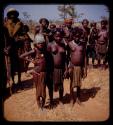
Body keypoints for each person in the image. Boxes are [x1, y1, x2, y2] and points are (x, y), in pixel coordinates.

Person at [20, 34, 54, 109]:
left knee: (43, 88)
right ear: (35, 43)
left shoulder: (46, 51)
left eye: (42, 43)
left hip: (45, 73)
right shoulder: (34, 50)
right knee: (38, 89)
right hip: (37, 73)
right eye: (39, 43)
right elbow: (21, 56)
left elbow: (50, 61)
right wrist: (32, 60)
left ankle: (43, 104)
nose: (40, 44)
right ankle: (39, 105)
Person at [4, 8, 23, 88]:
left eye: (14, 13)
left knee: (19, 64)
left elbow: (24, 34)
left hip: (17, 46)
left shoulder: (20, 23)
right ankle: (12, 81)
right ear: (8, 15)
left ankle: (19, 80)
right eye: (11, 14)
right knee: (10, 65)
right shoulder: (5, 24)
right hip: (9, 46)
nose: (12, 15)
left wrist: (19, 38)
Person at [67, 27, 86, 106]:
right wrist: (68, 67)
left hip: (80, 67)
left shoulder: (83, 44)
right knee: (72, 83)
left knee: (78, 84)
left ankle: (78, 98)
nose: (77, 37)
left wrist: (85, 69)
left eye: (78, 36)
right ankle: (72, 99)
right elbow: (67, 56)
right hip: (72, 67)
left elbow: (85, 57)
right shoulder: (70, 44)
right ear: (73, 36)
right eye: (75, 36)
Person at [47, 28, 67, 104]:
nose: (58, 38)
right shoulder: (50, 44)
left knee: (61, 85)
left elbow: (65, 59)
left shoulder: (63, 45)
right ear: (53, 36)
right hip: (52, 69)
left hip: (61, 69)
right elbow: (47, 58)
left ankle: (61, 100)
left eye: (60, 36)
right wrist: (48, 70)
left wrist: (66, 69)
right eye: (56, 36)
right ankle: (51, 100)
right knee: (51, 85)